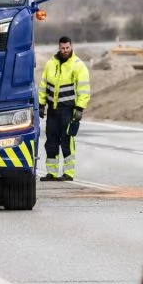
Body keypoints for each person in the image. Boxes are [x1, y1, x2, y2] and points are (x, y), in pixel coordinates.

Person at [38, 36, 91, 181]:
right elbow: (43, 86)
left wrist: (80, 108)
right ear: (59, 47)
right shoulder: (50, 63)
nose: (65, 50)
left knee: (67, 141)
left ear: (71, 46)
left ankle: (68, 173)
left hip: (68, 110)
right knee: (51, 142)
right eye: (63, 48)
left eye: (67, 48)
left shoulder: (78, 65)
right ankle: (52, 173)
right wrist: (41, 105)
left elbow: (84, 89)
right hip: (53, 111)